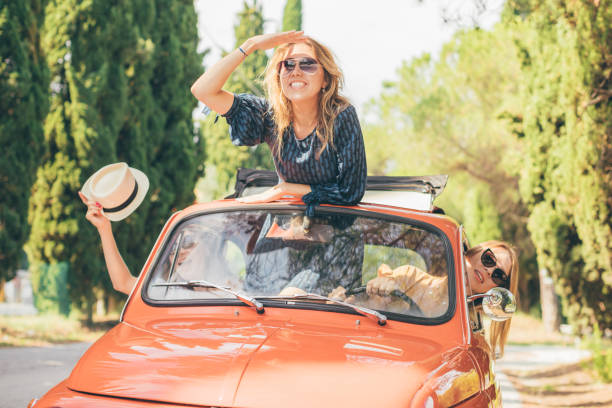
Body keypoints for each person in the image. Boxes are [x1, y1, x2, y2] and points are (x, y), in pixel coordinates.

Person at [190, 31, 367, 215]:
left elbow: (351, 192)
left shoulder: (341, 116)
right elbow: (203, 91)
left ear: (325, 79)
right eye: (288, 64)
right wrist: (250, 44)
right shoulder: (269, 116)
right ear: (279, 76)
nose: (296, 71)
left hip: (335, 235)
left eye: (307, 64)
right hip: (284, 227)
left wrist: (284, 189)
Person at [333, 240, 519, 357]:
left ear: (495, 289)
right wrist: (378, 290)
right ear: (472, 254)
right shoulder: (410, 277)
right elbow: (368, 312)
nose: (489, 270)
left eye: (498, 275)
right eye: (489, 259)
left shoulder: (470, 328)